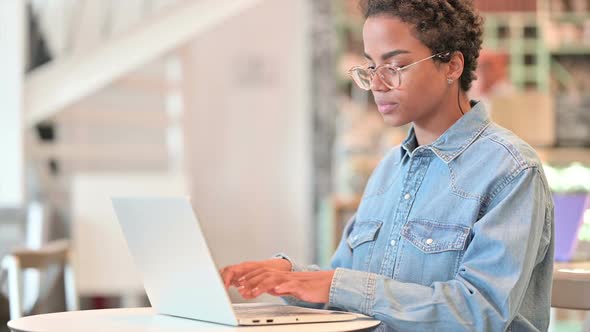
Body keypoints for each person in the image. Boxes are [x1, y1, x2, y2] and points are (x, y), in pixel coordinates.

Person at [220, 1, 554, 330]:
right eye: (370, 67)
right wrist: (291, 277)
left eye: (395, 67)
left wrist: (333, 283)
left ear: (452, 66)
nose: (378, 84)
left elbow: (481, 312)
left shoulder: (510, 170)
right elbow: (348, 293)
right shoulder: (388, 170)